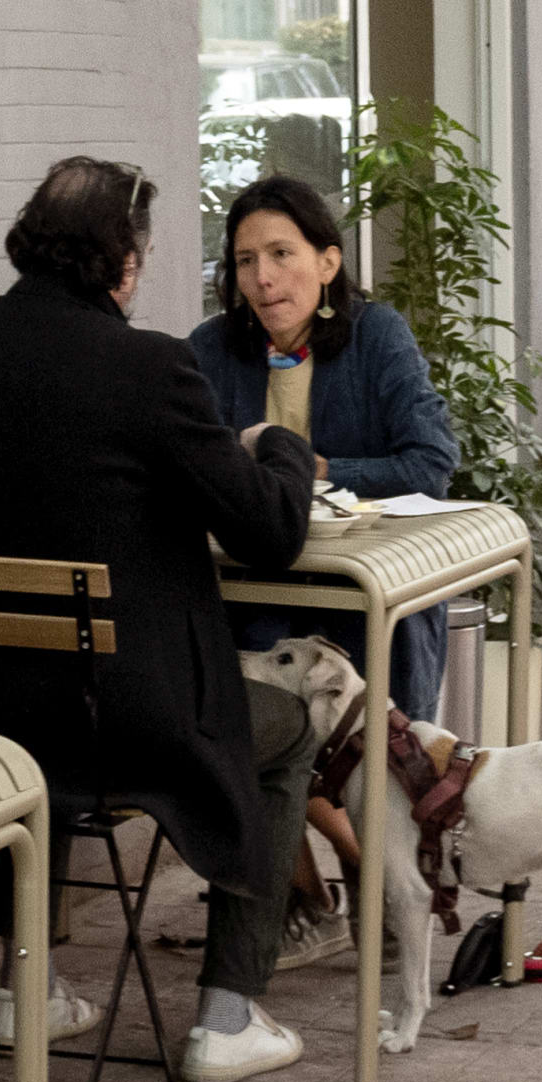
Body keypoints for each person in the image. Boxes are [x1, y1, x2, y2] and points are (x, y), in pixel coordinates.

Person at [0, 155, 324, 1082]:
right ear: (123, 263)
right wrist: (280, 446)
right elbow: (272, 529)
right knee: (289, 729)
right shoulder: (151, 366)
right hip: (121, 723)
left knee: (34, 713)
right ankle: (228, 1014)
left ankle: (26, 992)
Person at [192, 172, 461, 727]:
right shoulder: (210, 348)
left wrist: (317, 470)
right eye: (245, 261)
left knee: (371, 741)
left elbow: (430, 463)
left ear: (328, 263)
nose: (263, 278)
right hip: (254, 574)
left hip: (364, 577)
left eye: (282, 254)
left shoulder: (377, 334)